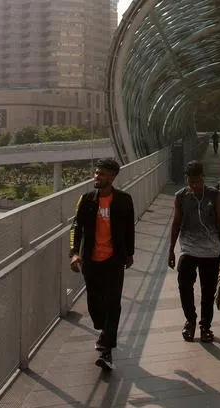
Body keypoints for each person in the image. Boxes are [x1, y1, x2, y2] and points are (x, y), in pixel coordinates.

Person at [70, 157, 135, 371]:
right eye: (96, 173)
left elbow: (129, 230)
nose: (97, 177)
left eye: (102, 174)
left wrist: (129, 254)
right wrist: (74, 253)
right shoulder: (86, 199)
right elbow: (76, 227)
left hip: (113, 260)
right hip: (91, 260)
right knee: (95, 304)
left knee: (112, 304)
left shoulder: (124, 200)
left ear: (113, 177)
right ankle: (103, 330)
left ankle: (107, 350)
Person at [168, 160, 220, 343]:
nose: (194, 185)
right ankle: (190, 319)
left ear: (203, 178)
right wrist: (171, 249)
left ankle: (205, 326)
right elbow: (176, 223)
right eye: (191, 182)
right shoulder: (181, 196)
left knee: (208, 290)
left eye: (197, 181)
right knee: (184, 285)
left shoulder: (214, 194)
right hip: (188, 248)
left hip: (211, 250)